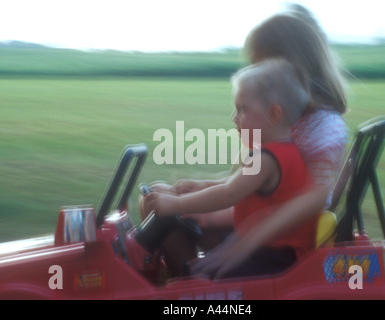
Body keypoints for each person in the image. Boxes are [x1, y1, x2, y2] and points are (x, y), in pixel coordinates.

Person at [141, 4, 349, 278]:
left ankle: (193, 285)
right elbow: (243, 180)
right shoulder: (279, 124)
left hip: (275, 234)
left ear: (289, 69)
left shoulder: (319, 127)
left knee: (168, 213)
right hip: (254, 213)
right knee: (159, 194)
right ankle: (190, 278)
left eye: (259, 66)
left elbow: (311, 199)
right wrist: (201, 186)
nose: (253, 74)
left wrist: (241, 235)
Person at [143, 58, 318, 279]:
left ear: (274, 115)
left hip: (273, 257)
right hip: (267, 248)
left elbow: (229, 194)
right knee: (205, 264)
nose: (233, 118)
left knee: (207, 276)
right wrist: (201, 185)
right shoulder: (283, 152)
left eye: (242, 110)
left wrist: (175, 204)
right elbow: (234, 183)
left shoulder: (267, 158)